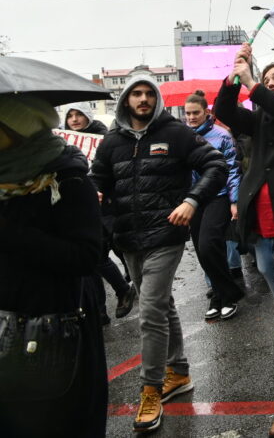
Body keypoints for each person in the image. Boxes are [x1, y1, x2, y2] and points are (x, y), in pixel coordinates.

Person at [90, 76, 227, 433]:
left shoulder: (176, 132)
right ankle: (178, 373)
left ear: (157, 99)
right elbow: (97, 180)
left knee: (150, 310)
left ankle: (150, 390)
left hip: (166, 235)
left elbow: (216, 165)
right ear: (125, 100)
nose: (143, 98)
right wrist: (97, 201)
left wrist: (191, 200)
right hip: (128, 240)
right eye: (136, 93)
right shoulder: (112, 141)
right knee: (162, 305)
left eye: (149, 92)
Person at [214, 49, 274, 438]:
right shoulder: (260, 121)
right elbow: (224, 109)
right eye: (267, 77)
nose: (270, 81)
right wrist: (236, 75)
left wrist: (254, 83)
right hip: (262, 236)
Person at [0, 94, 108, 437]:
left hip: (54, 330)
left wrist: (9, 232)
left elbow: (86, 256)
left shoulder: (68, 179)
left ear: (19, 130)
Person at [65, 102, 137, 323]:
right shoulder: (62, 141)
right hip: (75, 205)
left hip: (103, 205)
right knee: (90, 262)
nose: (75, 119)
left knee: (96, 257)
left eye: (79, 114)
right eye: (70, 115)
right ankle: (99, 310)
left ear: (88, 116)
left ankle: (122, 289)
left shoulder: (103, 139)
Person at [183, 91, 244, 321]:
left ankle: (227, 295)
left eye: (195, 113)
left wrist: (234, 200)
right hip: (192, 199)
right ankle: (220, 295)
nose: (191, 117)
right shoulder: (182, 136)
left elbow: (232, 169)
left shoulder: (222, 135)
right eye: (187, 113)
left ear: (206, 112)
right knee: (201, 250)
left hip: (218, 196)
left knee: (210, 245)